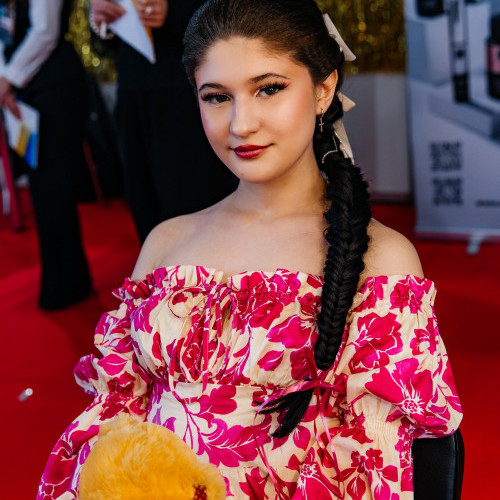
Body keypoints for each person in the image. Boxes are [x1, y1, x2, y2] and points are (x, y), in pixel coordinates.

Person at [37, 0, 463, 498]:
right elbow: (113, 423)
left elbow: (379, 467)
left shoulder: (383, 262)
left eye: (269, 89)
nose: (241, 123)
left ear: (324, 88)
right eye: (217, 97)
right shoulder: (165, 242)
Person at [90, 0, 236, 242]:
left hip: (185, 85)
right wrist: (101, 20)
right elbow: (105, 45)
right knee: (142, 199)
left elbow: (229, 12)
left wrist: (172, 11)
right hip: (131, 88)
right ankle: (156, 264)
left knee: (195, 199)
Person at [0, 0, 91, 309]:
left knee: (55, 189)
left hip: (56, 90)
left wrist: (8, 80)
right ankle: (64, 281)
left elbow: (44, 32)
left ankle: (69, 284)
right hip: (26, 94)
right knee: (43, 191)